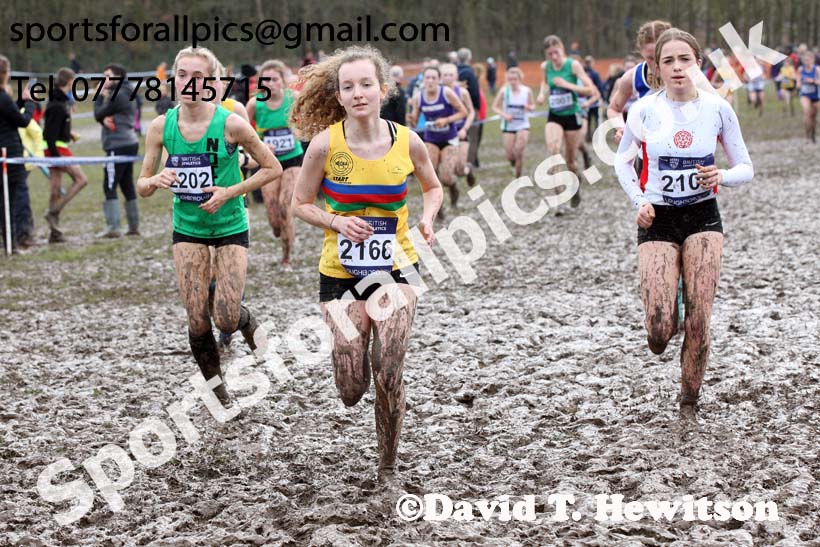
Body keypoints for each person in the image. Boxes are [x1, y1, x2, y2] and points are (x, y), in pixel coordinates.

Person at [290, 45, 443, 481]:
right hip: (341, 273)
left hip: (398, 266)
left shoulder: (407, 141)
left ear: (383, 89)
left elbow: (432, 188)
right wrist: (337, 221)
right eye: (348, 87)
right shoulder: (324, 145)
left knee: (390, 368)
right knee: (351, 387)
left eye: (366, 84)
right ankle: (354, 372)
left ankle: (388, 463)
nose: (358, 93)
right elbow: (300, 203)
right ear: (338, 96)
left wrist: (428, 220)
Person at [614, 28, 753, 420]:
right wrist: (639, 200)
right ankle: (663, 319)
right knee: (659, 331)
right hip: (657, 217)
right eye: (668, 61)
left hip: (703, 216)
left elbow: (746, 166)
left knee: (699, 317)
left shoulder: (717, 109)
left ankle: (688, 401)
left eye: (684, 60)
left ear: (698, 64)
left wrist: (721, 176)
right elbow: (621, 161)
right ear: (656, 68)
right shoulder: (643, 110)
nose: (677, 68)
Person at [136, 46, 281, 405]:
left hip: (230, 222)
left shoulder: (231, 123)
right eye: (183, 75)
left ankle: (246, 321)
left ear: (212, 82)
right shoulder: (161, 126)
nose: (189, 83)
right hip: (188, 228)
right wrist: (156, 180)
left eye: (198, 77)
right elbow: (141, 187)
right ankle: (218, 391)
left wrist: (228, 191)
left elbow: (272, 168)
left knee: (226, 318)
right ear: (174, 79)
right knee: (198, 318)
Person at [246, 59, 303, 267]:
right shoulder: (255, 104)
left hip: (293, 159)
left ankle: (286, 256)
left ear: (282, 81)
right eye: (266, 79)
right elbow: (242, 129)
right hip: (268, 162)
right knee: (272, 211)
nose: (270, 83)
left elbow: (310, 119)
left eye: (274, 79)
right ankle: (279, 229)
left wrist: (300, 130)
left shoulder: (294, 98)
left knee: (285, 206)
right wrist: (259, 145)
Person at [536, 35, 597, 208]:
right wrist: (542, 93)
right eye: (550, 54)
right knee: (554, 149)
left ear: (562, 49)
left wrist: (567, 85)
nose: (553, 57)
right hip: (554, 115)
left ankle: (575, 183)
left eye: (556, 52)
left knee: (571, 161)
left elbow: (590, 89)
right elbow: (545, 82)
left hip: (572, 115)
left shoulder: (573, 65)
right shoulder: (545, 66)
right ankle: (558, 190)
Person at [407, 66, 466, 218]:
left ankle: (453, 187)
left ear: (439, 80)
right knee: (430, 176)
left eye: (434, 78)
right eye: (428, 78)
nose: (431, 81)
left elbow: (463, 112)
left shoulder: (446, 93)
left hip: (449, 139)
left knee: (446, 177)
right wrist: (411, 119)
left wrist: (446, 120)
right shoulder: (418, 98)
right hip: (431, 139)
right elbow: (414, 123)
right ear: (423, 80)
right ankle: (438, 208)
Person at [94, 63, 140, 238]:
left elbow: (98, 114)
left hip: (118, 144)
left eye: (108, 76)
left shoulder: (119, 95)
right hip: (129, 142)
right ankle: (134, 226)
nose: (104, 79)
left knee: (109, 185)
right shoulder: (127, 92)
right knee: (126, 184)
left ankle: (113, 227)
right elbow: (104, 116)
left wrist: (98, 96)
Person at [43, 67, 87, 243]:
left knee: (55, 190)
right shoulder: (57, 106)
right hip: (57, 150)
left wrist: (69, 134)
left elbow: (54, 129)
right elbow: (49, 134)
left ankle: (54, 233)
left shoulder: (58, 103)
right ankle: (53, 212)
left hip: (54, 148)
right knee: (81, 180)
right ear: (69, 82)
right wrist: (55, 156)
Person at [0, 55, 37, 252]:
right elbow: (21, 120)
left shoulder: (4, 99)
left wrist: (20, 101)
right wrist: (30, 103)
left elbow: (9, 113)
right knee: (11, 200)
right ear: (5, 74)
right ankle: (11, 243)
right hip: (10, 154)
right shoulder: (2, 97)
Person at [491, 66, 534, 178]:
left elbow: (533, 106)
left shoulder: (527, 91)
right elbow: (494, 107)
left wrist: (528, 107)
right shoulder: (504, 91)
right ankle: (513, 163)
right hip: (508, 126)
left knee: (519, 151)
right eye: (510, 79)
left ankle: (518, 177)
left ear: (520, 79)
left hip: (523, 125)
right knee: (510, 155)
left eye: (515, 79)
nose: (513, 82)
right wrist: (505, 115)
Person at [440, 63, 475, 199]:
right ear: (441, 77)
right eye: (445, 75)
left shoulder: (463, 92)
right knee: (447, 169)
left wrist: (465, 128)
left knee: (460, 169)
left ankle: (468, 170)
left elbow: (471, 112)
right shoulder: (437, 92)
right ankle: (452, 188)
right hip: (443, 134)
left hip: (460, 131)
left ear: (456, 76)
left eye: (451, 75)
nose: (448, 78)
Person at [456, 48, 482, 170]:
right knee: (472, 135)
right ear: (469, 58)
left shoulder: (452, 71)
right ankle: (469, 162)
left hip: (455, 109)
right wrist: (476, 107)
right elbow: (475, 93)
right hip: (469, 107)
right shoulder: (469, 72)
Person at [797, 50, 819, 143]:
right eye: (805, 60)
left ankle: (813, 134)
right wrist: (798, 83)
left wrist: (813, 81)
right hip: (804, 94)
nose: (807, 62)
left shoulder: (817, 69)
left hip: (815, 95)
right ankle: (807, 136)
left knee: (813, 116)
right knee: (807, 112)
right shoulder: (800, 70)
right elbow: (797, 82)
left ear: (813, 60)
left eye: (809, 60)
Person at [583, 56, 604, 141]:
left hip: (585, 100)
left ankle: (587, 136)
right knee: (596, 119)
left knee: (587, 119)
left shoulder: (582, 74)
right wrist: (602, 96)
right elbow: (599, 86)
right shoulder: (595, 74)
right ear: (592, 63)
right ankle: (595, 136)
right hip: (594, 101)